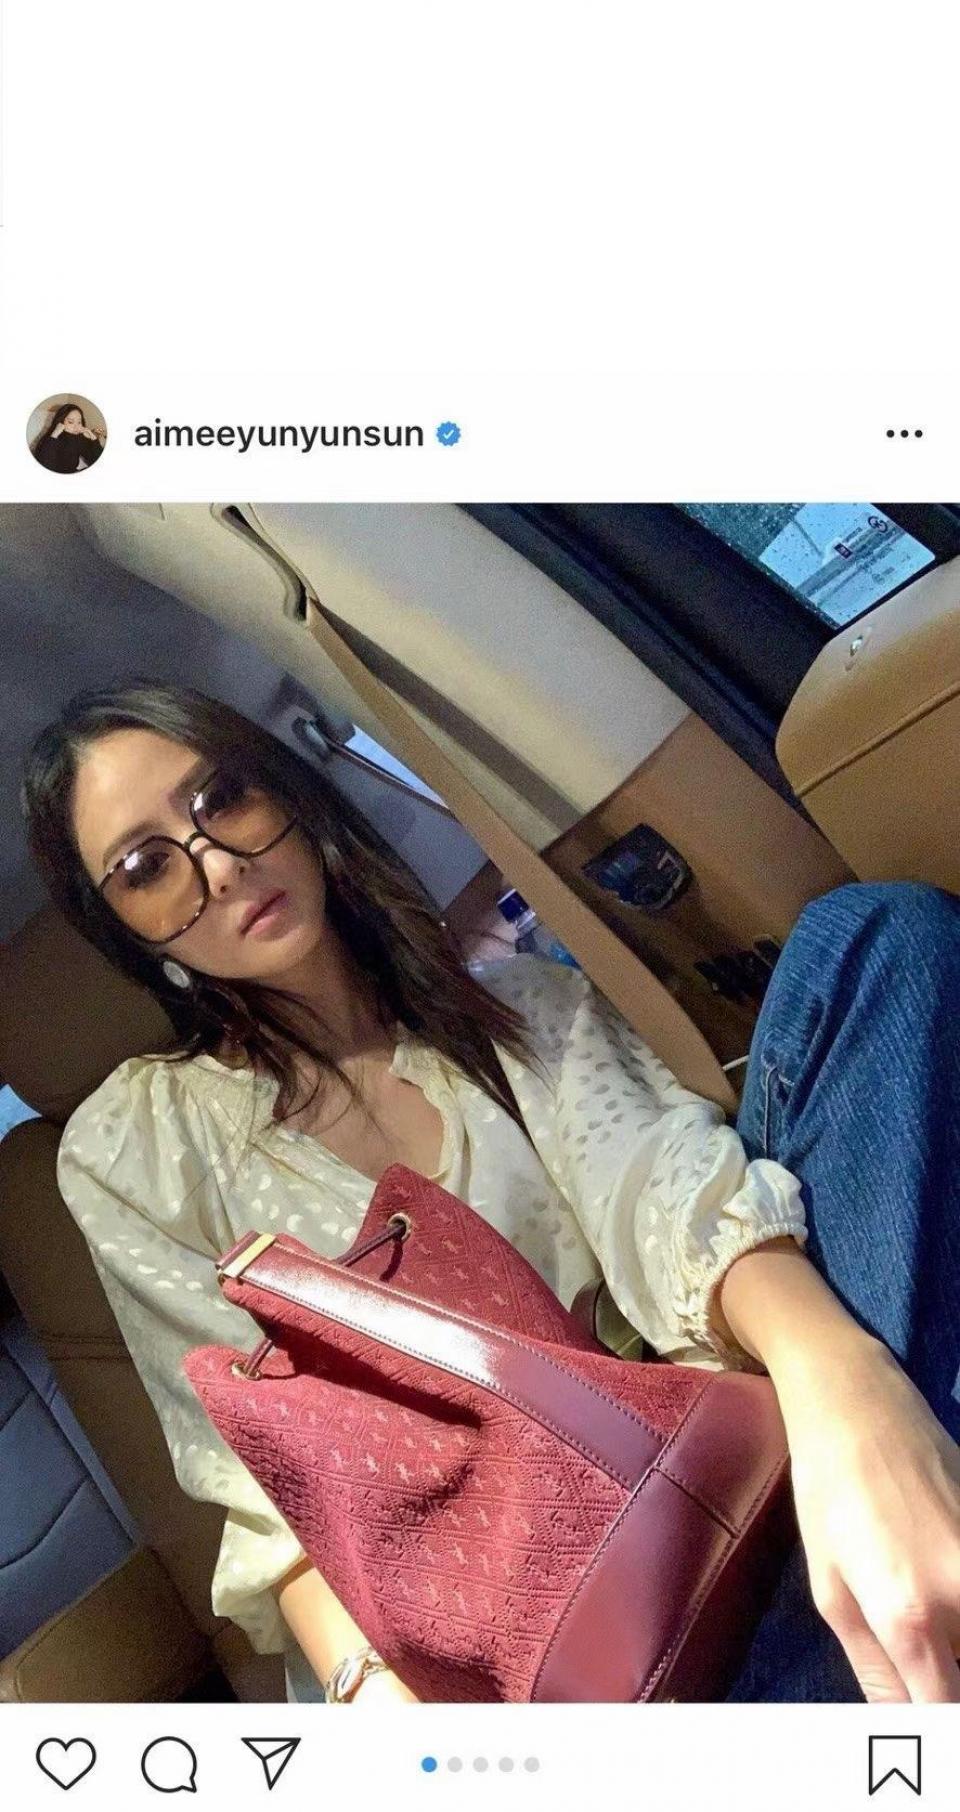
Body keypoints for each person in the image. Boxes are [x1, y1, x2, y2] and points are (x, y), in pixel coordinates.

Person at [20, 678, 960, 1706]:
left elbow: (661, 1191)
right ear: (131, 935)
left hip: (697, 1482)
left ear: (283, 789)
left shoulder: (520, 1009)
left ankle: (879, 1496)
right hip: (496, 1650)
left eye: (221, 798)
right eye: (147, 867)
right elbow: (264, 1481)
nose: (216, 863)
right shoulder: (139, 1145)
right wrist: (386, 1711)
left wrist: (843, 1380)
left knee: (872, 942)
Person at [30, 402, 105, 474]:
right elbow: (45, 465)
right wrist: (54, 436)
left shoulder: (78, 438)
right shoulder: (51, 439)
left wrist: (93, 438)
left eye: (79, 422)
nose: (76, 426)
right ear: (60, 422)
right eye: (71, 422)